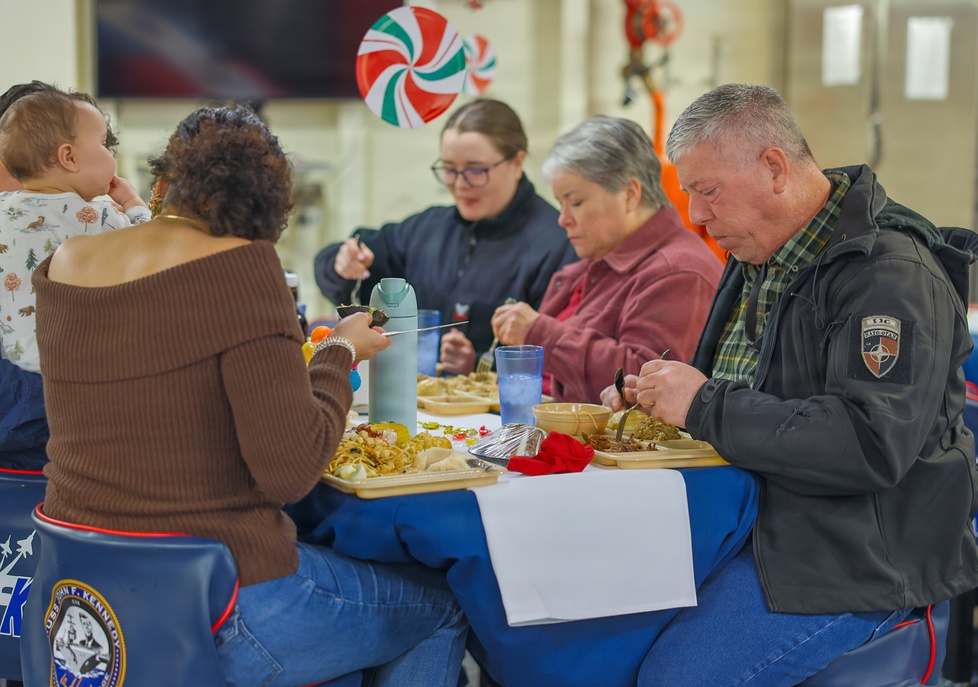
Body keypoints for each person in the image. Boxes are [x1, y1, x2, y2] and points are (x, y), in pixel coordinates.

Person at [33, 105, 468, 686]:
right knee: (440, 605)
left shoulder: (65, 261)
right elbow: (290, 470)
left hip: (80, 590)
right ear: (266, 207)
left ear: (164, 182)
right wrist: (339, 353)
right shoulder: (242, 266)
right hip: (217, 602)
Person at [601, 84, 978, 686]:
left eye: (706, 191)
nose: (694, 215)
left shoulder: (890, 276)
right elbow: (749, 393)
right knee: (581, 640)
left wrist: (702, 403)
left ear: (775, 168)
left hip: (853, 555)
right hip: (751, 519)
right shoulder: (761, 250)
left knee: (674, 677)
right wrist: (658, 401)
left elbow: (868, 443)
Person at [314, 98, 577, 375]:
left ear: (517, 162)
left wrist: (477, 364)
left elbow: (554, 357)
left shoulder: (556, 243)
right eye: (449, 170)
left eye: (476, 170)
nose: (460, 184)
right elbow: (343, 275)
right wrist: (343, 264)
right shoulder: (427, 229)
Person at [489, 116, 721, 404]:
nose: (563, 219)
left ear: (629, 194)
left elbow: (641, 388)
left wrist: (540, 333)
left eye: (575, 202)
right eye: (560, 204)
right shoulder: (598, 257)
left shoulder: (679, 271)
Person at [0, 84, 140, 470]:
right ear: (68, 156)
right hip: (66, 385)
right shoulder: (98, 217)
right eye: (103, 145)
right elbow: (147, 249)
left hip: (14, 367)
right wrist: (135, 206)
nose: (110, 155)